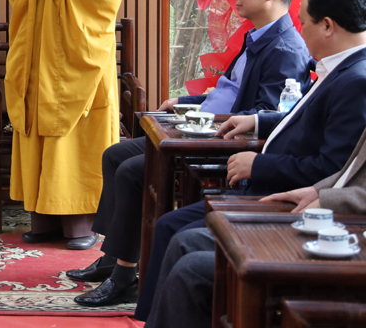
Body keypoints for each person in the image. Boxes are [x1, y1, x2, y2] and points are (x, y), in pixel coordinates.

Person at [70, 0, 313, 306]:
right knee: (115, 154)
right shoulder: (259, 35)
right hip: (201, 126)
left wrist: (205, 120)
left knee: (132, 171)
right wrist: (186, 101)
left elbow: (264, 116)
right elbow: (229, 90)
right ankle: (113, 257)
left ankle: (124, 276)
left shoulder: (285, 48)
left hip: (219, 140)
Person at [136, 0, 366, 323]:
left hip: (289, 200)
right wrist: (258, 121)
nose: (300, 30)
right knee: (173, 227)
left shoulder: (356, 80)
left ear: (327, 26)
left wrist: (258, 166)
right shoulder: (341, 68)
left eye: (304, 22)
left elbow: (330, 168)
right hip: (274, 185)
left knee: (184, 245)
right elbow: (305, 119)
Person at [1, 0, 128, 250]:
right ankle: (43, 219)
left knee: (77, 140)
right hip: (39, 56)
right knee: (40, 133)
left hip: (80, 59)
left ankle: (80, 224)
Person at [146, 112, 366, 328]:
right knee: (183, 241)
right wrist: (316, 190)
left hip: (342, 238)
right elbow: (349, 172)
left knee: (190, 269)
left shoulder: (352, 88)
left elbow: (332, 165)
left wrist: (325, 198)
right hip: (311, 213)